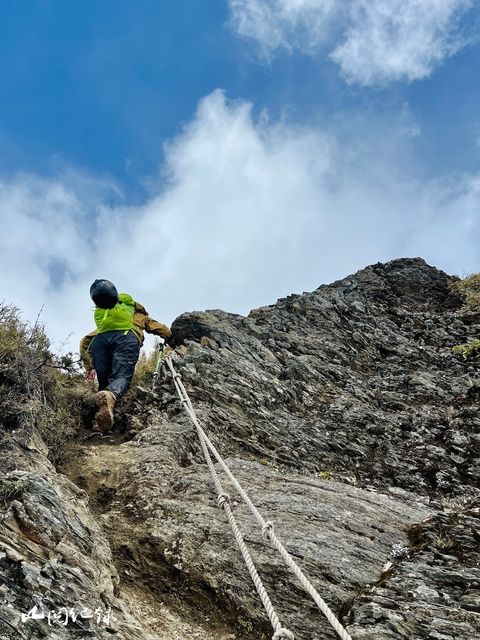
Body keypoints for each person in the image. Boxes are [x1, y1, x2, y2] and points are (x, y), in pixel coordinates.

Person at [80, 279, 174, 433]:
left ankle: (100, 420)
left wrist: (88, 366)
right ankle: (108, 403)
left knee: (104, 383)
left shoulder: (106, 320)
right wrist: (173, 341)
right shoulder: (137, 315)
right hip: (126, 339)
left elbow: (85, 341)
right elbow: (160, 329)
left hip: (100, 342)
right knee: (121, 376)